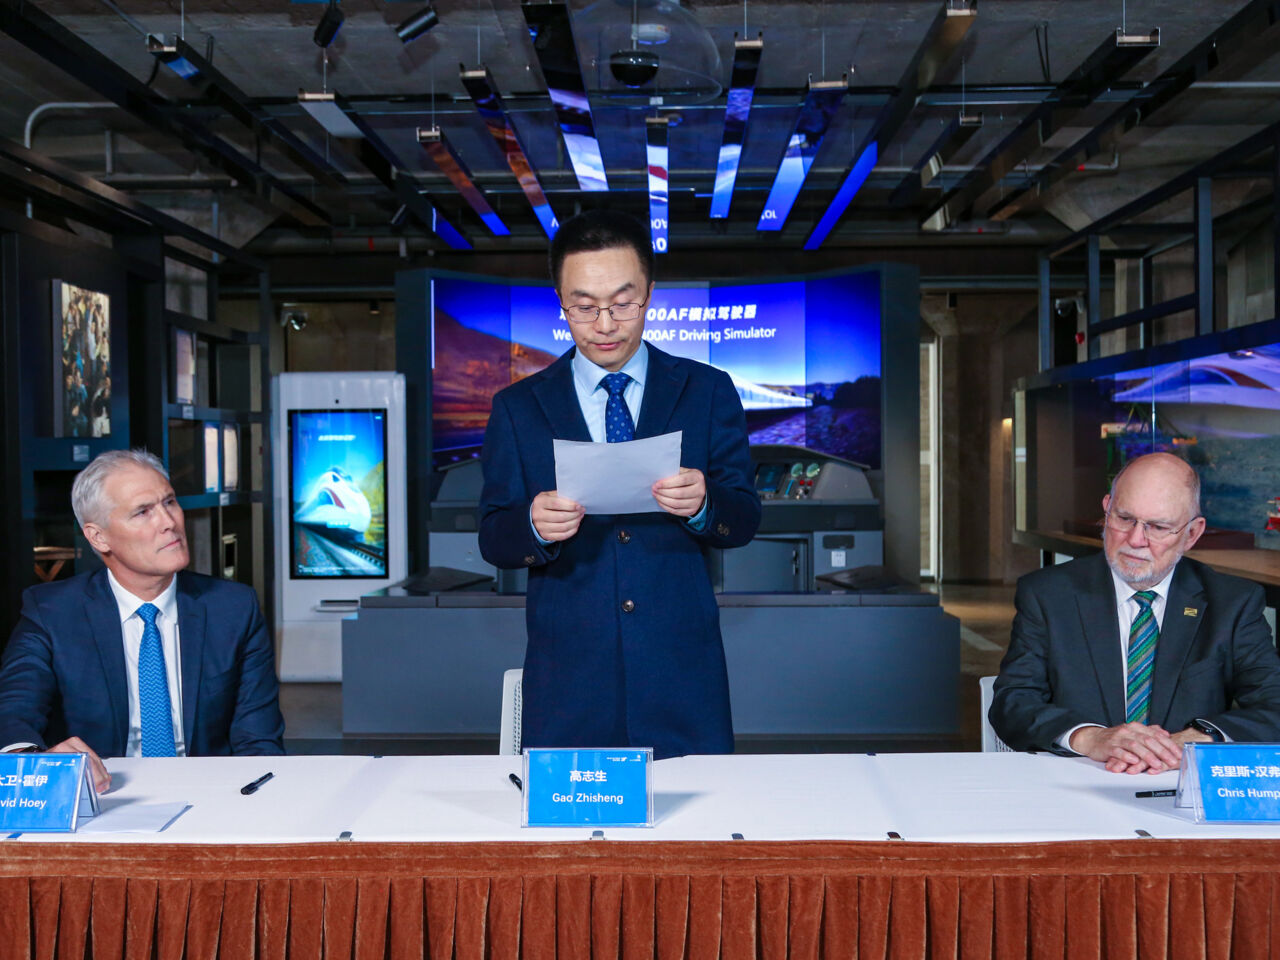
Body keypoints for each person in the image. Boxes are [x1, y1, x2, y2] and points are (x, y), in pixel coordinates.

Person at [478, 209, 761, 760]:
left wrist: (705, 505)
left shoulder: (706, 391)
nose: (604, 324)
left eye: (622, 303)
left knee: (696, 836)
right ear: (561, 303)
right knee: (572, 842)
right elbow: (494, 535)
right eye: (583, 307)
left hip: (682, 672)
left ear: (649, 295)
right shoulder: (518, 408)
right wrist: (533, 527)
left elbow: (743, 518)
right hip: (569, 680)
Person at [0, 449, 285, 791]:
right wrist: (34, 759)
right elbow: (13, 709)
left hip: (213, 796)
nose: (169, 522)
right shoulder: (51, 611)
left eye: (169, 503)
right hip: (103, 799)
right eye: (143, 512)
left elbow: (259, 743)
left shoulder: (234, 607)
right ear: (98, 537)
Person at [990, 452, 1280, 774]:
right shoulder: (1047, 594)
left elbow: (1275, 705)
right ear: (1106, 509)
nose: (1135, 540)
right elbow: (1012, 703)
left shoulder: (1233, 604)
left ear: (1192, 534)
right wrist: (1090, 738)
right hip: (1078, 784)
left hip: (1181, 790)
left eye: (1157, 527)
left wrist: (1194, 739)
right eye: (1124, 519)